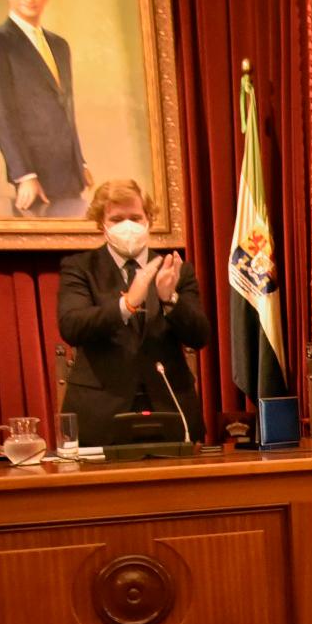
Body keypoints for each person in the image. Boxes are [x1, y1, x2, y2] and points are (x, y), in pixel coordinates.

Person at [58, 179, 209, 446]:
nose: (127, 226)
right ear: (101, 225)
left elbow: (199, 336)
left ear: (148, 219)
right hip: (101, 413)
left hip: (170, 409)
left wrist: (169, 299)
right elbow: (72, 326)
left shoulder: (175, 268)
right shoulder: (80, 267)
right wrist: (127, 304)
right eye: (117, 219)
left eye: (135, 217)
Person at [0, 0, 90, 216]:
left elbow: (65, 110)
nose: (30, 0)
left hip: (70, 171)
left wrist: (80, 161)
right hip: (35, 175)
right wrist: (24, 175)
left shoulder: (59, 45)